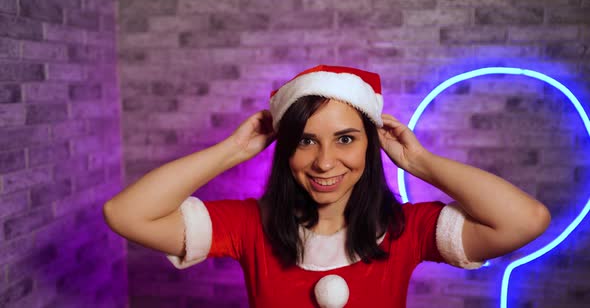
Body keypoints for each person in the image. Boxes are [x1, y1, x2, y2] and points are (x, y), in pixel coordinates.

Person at [103, 65, 551, 307]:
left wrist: (420, 162)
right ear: (286, 149)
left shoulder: (405, 228)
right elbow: (125, 214)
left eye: (345, 139)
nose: (324, 162)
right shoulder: (249, 225)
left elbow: (526, 219)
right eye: (305, 141)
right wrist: (232, 151)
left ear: (369, 144)